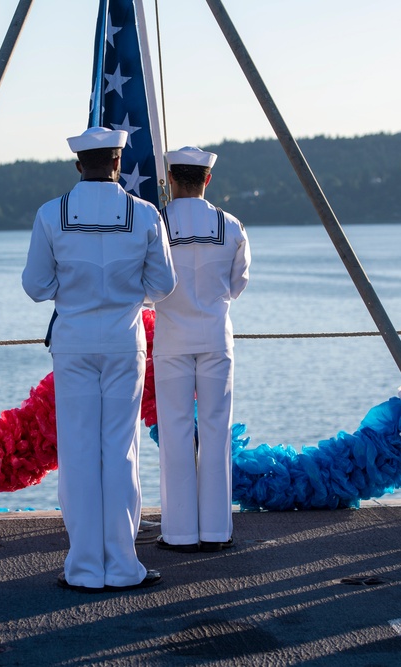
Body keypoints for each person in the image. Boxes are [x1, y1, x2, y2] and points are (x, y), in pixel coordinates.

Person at [22, 127, 176, 592]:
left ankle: (85, 566)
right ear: (116, 162)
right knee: (120, 450)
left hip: (73, 342)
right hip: (124, 341)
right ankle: (123, 565)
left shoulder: (52, 214)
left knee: (79, 449)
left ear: (77, 164)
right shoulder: (144, 213)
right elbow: (163, 286)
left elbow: (36, 287)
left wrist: (69, 290)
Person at [152, 146, 250, 553]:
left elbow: (148, 286)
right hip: (214, 338)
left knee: (175, 432)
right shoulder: (231, 225)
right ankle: (215, 530)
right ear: (207, 179)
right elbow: (239, 285)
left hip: (172, 339)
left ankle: (178, 533)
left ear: (171, 179)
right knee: (216, 431)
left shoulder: (155, 223)